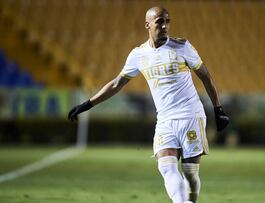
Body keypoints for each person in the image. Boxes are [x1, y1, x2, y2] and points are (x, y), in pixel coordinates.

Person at [68, 7, 229, 203]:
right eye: (160, 21)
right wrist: (88, 104)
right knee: (166, 167)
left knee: (190, 174)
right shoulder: (138, 55)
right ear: (148, 25)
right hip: (165, 120)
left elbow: (206, 76)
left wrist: (218, 109)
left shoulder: (182, 46)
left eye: (168, 21)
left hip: (190, 116)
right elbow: (117, 83)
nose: (165, 26)